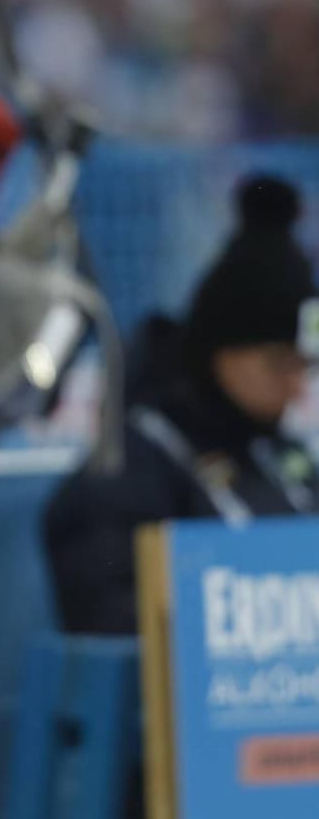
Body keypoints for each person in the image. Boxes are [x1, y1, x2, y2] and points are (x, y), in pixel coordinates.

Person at [44, 175, 319, 635]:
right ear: (224, 352)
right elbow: (102, 612)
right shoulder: (135, 464)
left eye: (305, 367)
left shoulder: (282, 455)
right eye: (279, 364)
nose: (296, 387)